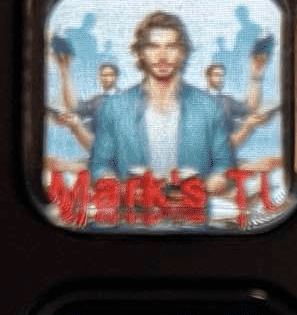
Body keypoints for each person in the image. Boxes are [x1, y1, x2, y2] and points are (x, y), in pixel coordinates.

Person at [86, 12, 233, 189]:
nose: (162, 56)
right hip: (133, 204)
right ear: (140, 53)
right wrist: (118, 187)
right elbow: (100, 165)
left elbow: (224, 164)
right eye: (153, 47)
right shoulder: (114, 107)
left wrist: (212, 183)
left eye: (171, 47)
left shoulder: (208, 107)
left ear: (182, 52)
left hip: (192, 203)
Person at [204, 54, 277, 150]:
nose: (221, 78)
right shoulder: (199, 100)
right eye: (217, 75)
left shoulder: (226, 101)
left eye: (222, 75)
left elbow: (250, 108)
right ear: (208, 76)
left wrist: (255, 78)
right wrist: (247, 125)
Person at [51, 53, 119, 153]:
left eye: (109, 75)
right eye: (103, 75)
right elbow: (74, 107)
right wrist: (64, 73)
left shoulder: (124, 98)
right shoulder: (97, 100)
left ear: (115, 77)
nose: (105, 78)